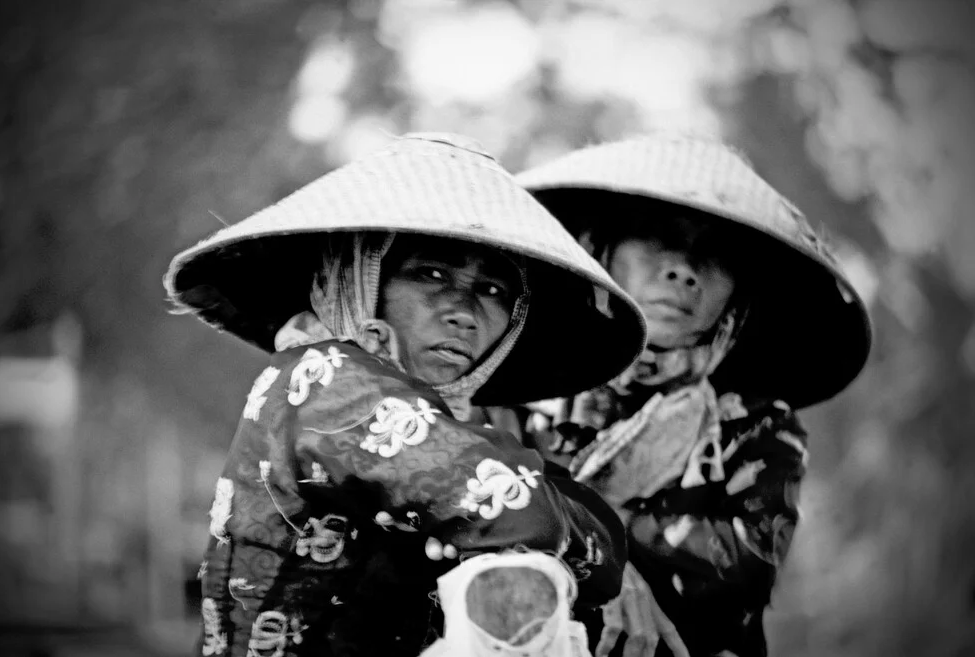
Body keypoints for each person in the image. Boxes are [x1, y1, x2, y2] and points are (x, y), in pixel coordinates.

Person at [163, 133, 649, 657]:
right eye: (431, 274)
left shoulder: (445, 422)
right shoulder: (326, 381)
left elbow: (550, 507)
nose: (462, 310)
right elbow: (528, 512)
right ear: (358, 278)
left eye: (493, 291)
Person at [513, 135, 872, 657]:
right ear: (602, 251)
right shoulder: (526, 388)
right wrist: (613, 557)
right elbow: (474, 507)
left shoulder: (757, 426)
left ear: (738, 297)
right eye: (657, 238)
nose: (683, 270)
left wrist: (587, 517)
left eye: (714, 256)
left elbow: (744, 557)